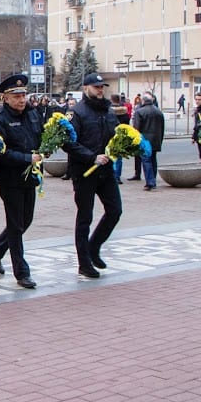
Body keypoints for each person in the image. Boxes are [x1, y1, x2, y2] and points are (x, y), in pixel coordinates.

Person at [0, 74, 42, 289]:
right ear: (5, 98)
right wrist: (26, 158)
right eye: (16, 96)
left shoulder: (32, 114)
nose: (21, 99)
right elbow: (0, 153)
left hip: (31, 175)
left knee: (26, 220)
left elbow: (39, 137)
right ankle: (22, 272)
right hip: (10, 179)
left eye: (23, 95)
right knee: (16, 225)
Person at [62, 73, 121, 279]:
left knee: (115, 211)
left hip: (106, 170)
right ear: (85, 88)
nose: (100, 90)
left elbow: (115, 135)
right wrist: (91, 157)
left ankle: (93, 247)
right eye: (96, 87)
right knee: (85, 217)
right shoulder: (76, 112)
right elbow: (68, 142)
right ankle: (84, 263)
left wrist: (122, 146)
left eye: (102, 87)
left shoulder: (107, 110)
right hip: (84, 172)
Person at [133, 92, 164, 191]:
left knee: (146, 161)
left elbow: (137, 128)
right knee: (153, 160)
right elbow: (162, 128)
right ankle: (153, 180)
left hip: (145, 140)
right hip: (156, 139)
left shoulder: (140, 112)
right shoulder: (159, 112)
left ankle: (150, 182)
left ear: (143, 101)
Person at [109, 93, 130, 184]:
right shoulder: (124, 112)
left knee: (110, 155)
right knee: (119, 157)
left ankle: (112, 175)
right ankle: (118, 176)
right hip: (121, 136)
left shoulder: (109, 112)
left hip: (110, 135)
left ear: (111, 100)